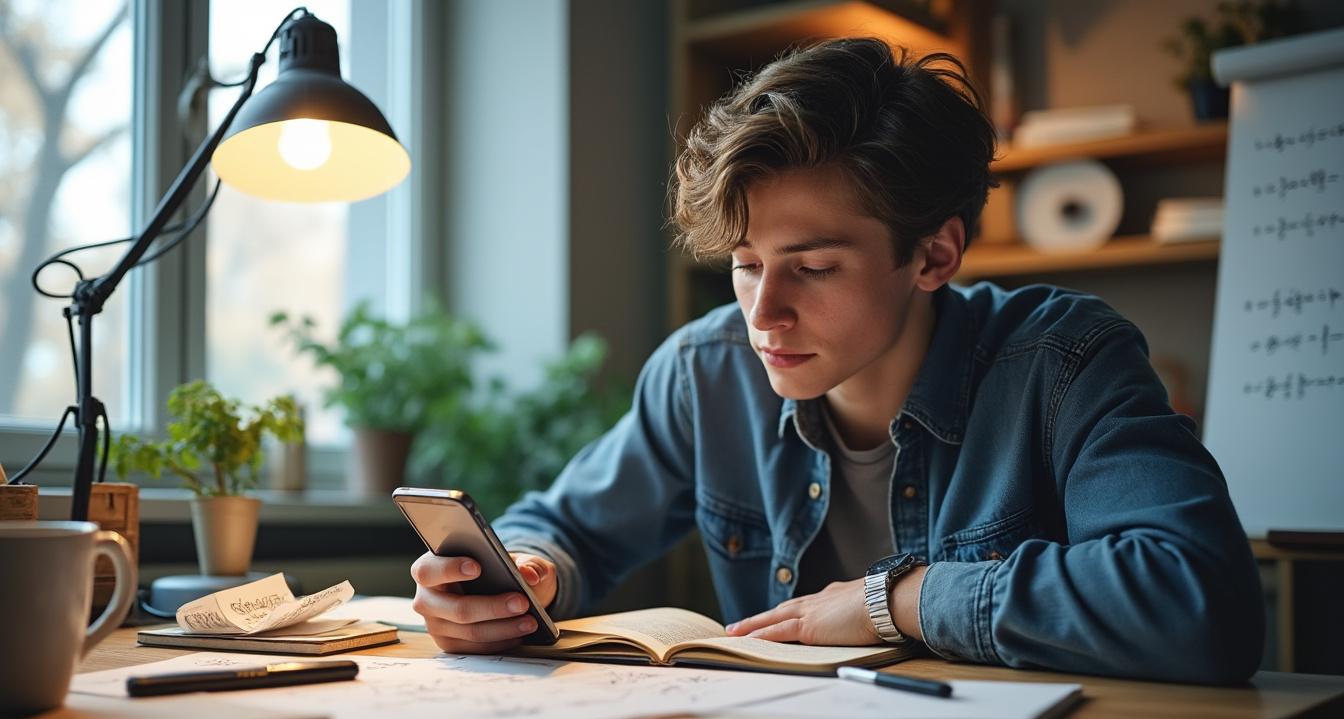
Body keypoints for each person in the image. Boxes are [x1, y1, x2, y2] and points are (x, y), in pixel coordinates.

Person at [410, 38, 1263, 684]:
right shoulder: (705, 373)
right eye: (746, 264)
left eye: (814, 268)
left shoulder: (1064, 361)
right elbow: (564, 529)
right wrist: (518, 578)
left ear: (933, 255)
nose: (763, 314)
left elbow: (1200, 601)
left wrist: (896, 601)